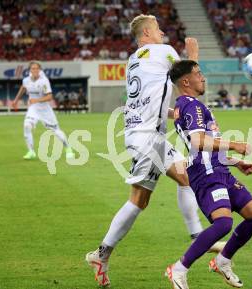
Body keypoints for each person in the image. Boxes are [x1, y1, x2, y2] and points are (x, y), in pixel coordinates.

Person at [85, 15, 224, 287]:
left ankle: (100, 255)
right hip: (148, 137)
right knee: (184, 176)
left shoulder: (133, 60)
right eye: (159, 30)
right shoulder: (163, 51)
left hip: (140, 133)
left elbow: (151, 98)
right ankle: (198, 237)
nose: (162, 34)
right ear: (147, 32)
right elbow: (187, 77)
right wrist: (193, 54)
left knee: (139, 200)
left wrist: (172, 113)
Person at [166, 60, 252, 289]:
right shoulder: (191, 105)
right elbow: (198, 142)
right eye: (198, 74)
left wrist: (235, 162)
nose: (202, 77)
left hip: (218, 169)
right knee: (223, 224)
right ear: (185, 81)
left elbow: (206, 147)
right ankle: (179, 269)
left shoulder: (189, 105)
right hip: (206, 174)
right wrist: (234, 145)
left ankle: (222, 260)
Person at [12, 62, 74, 160]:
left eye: (37, 68)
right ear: (30, 70)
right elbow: (23, 88)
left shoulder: (44, 81)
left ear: (40, 70)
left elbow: (49, 96)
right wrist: (16, 100)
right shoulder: (26, 80)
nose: (35, 70)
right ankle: (31, 151)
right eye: (33, 68)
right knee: (27, 126)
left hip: (45, 110)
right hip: (33, 108)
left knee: (56, 131)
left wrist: (37, 100)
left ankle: (68, 149)